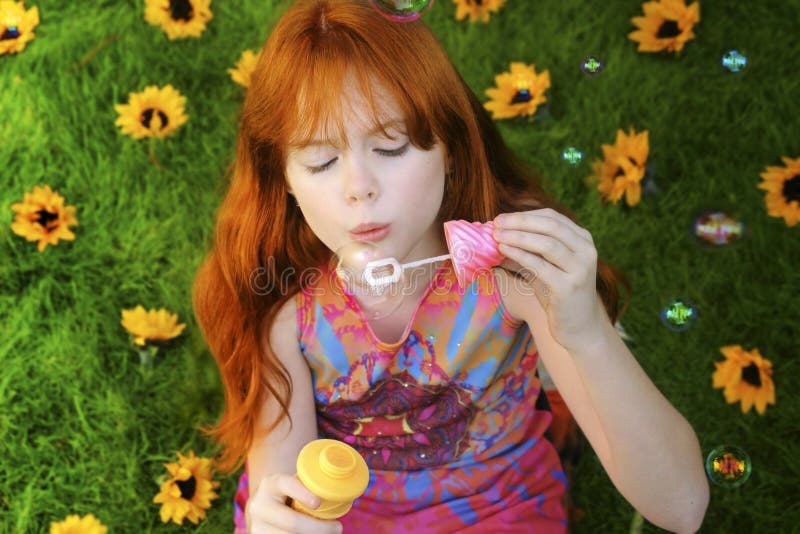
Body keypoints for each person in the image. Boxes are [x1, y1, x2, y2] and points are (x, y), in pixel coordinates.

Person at [192, 1, 710, 532]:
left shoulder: (513, 272)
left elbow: (681, 508)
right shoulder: (282, 299)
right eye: (321, 161)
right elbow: (287, 487)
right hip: (350, 516)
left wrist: (588, 335)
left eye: (391, 147)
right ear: (283, 178)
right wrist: (284, 520)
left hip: (498, 506)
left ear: (453, 147)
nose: (358, 188)